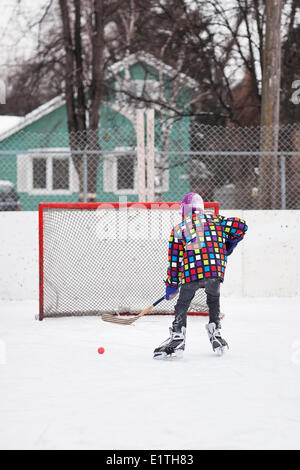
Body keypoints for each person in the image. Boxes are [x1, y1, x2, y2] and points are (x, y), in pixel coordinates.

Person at [153, 192, 248, 359]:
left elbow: (174, 262)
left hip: (192, 272)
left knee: (182, 304)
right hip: (215, 271)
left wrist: (172, 285)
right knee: (213, 300)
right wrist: (228, 244)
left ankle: (178, 337)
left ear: (184, 211)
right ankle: (216, 333)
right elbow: (241, 226)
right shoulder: (217, 220)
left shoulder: (180, 228)